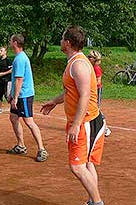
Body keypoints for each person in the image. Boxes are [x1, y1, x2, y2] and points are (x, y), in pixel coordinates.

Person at [41, 26, 105, 205]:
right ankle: (93, 201)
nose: (60, 41)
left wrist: (76, 124)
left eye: (62, 39)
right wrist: (54, 101)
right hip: (86, 121)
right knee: (87, 164)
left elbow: (85, 95)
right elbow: (72, 92)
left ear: (68, 43)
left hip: (85, 122)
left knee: (77, 167)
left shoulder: (78, 65)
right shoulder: (75, 62)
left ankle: (98, 203)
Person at [7, 34, 48, 162]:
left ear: (15, 42)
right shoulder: (19, 57)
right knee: (13, 118)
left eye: (10, 40)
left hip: (24, 95)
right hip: (19, 94)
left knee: (29, 121)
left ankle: (42, 149)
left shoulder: (20, 59)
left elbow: (19, 79)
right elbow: (15, 79)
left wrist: (16, 97)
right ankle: (21, 145)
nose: (9, 42)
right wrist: (12, 94)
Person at [88, 50, 111, 137]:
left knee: (96, 109)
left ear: (95, 59)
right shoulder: (89, 67)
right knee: (90, 108)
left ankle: (105, 128)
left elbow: (98, 82)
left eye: (90, 57)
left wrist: (89, 85)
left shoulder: (97, 68)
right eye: (88, 56)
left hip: (97, 90)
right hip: (91, 90)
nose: (88, 58)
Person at [0, 46, 12, 114]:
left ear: (5, 52)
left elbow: (12, 70)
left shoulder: (8, 60)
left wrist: (3, 73)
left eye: (1, 51)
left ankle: (14, 108)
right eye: (0, 50)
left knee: (8, 95)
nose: (0, 52)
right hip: (1, 80)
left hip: (8, 80)